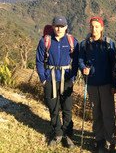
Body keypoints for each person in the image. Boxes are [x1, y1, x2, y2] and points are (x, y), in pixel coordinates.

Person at [36, 15, 78, 148]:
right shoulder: (45, 41)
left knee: (67, 109)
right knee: (53, 108)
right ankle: (58, 133)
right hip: (50, 79)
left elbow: (76, 61)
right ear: (53, 26)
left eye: (62, 26)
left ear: (66, 27)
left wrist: (72, 78)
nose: (59, 29)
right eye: (56, 26)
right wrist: (43, 78)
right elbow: (39, 61)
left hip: (66, 80)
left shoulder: (72, 41)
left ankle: (68, 135)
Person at [78, 16, 116, 152]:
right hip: (92, 84)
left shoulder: (108, 43)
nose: (94, 29)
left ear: (101, 28)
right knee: (96, 113)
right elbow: (80, 59)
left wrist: (114, 85)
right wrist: (83, 68)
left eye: (96, 26)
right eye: (92, 26)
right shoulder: (84, 44)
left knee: (108, 114)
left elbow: (114, 64)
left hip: (106, 84)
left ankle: (110, 140)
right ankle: (99, 139)